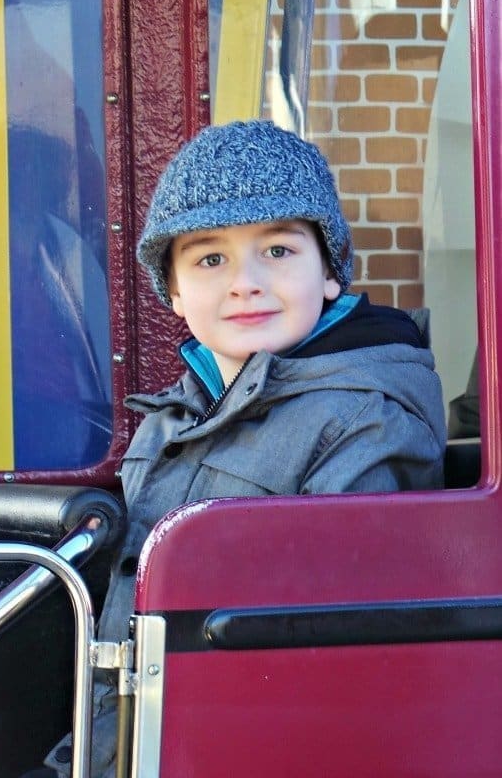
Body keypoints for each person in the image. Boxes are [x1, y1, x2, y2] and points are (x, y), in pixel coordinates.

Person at [40, 119, 446, 777]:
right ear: (174, 290)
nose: (245, 281)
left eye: (278, 251)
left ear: (331, 273)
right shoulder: (170, 420)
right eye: (210, 258)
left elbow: (331, 652)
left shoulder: (367, 418)